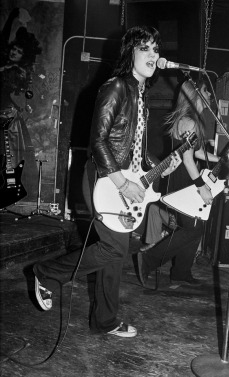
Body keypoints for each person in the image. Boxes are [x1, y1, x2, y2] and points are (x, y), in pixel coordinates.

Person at [32, 26, 181, 338]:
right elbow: (98, 141)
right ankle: (46, 274)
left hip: (124, 178)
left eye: (156, 48)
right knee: (114, 249)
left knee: (116, 252)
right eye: (145, 48)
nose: (153, 54)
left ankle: (105, 320)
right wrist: (123, 184)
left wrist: (160, 167)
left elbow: (134, 148)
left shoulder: (142, 96)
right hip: (104, 177)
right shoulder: (116, 86)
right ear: (131, 53)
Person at [137, 78, 224, 287]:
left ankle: (181, 272)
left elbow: (198, 152)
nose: (210, 94)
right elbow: (187, 159)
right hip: (184, 179)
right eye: (206, 90)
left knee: (195, 228)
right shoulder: (190, 121)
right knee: (192, 229)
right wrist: (201, 187)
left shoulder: (191, 120)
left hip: (183, 176)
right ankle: (148, 260)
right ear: (195, 94)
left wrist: (219, 159)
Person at [0, 8, 42, 201]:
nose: (14, 53)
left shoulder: (18, 73)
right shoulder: (5, 65)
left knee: (11, 156)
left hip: (7, 118)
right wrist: (14, 18)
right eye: (13, 50)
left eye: (18, 52)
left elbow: (17, 98)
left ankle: (11, 190)